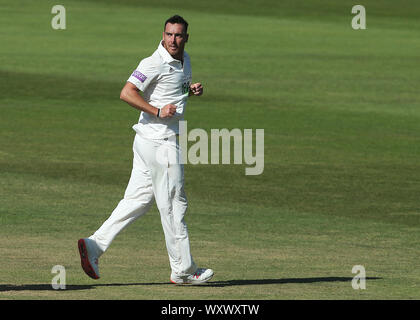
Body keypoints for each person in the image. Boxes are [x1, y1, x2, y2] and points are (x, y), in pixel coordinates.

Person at [78, 15, 213, 285]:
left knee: (137, 201)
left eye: (178, 35)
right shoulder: (152, 62)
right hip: (159, 143)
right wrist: (157, 111)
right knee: (175, 205)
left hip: (149, 143)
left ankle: (95, 245)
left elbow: (173, 89)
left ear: (186, 37)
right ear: (162, 35)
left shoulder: (184, 60)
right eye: (168, 34)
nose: (173, 40)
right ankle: (184, 270)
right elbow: (127, 92)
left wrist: (190, 90)